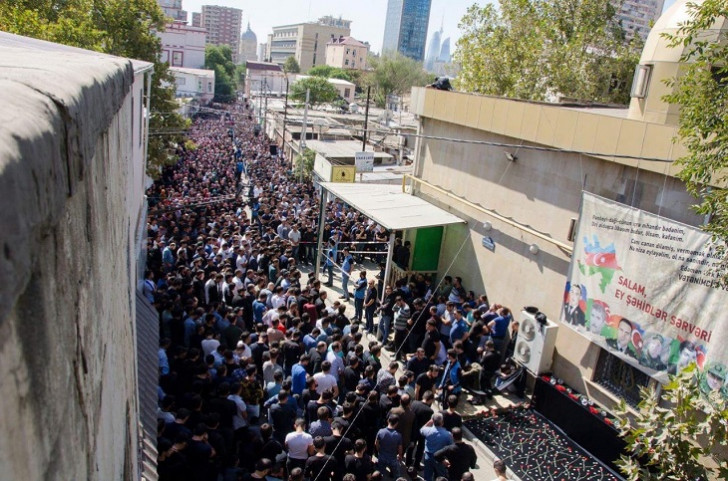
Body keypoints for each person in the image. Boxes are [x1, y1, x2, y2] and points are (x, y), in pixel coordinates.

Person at [420, 413, 453, 481]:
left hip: (428, 456)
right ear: (442, 422)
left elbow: (422, 429)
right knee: (441, 476)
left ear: (433, 421)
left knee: (427, 476)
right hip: (440, 458)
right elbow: (451, 446)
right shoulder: (447, 434)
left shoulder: (427, 430)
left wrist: (429, 422)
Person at [375, 414, 403, 478]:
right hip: (392, 458)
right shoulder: (398, 435)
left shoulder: (380, 431)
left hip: (382, 456)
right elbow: (400, 448)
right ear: (396, 423)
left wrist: (379, 450)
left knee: (380, 473)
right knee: (397, 475)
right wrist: (400, 455)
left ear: (388, 420)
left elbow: (376, 443)